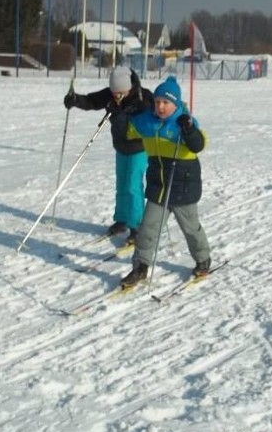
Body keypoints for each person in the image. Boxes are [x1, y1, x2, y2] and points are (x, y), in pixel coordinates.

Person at [119, 76, 211, 288]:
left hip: (183, 186)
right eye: (158, 101)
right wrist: (124, 111)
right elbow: (127, 128)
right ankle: (140, 266)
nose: (160, 106)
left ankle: (203, 259)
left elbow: (198, 145)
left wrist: (189, 129)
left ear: (175, 104)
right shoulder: (148, 121)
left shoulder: (183, 121)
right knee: (147, 228)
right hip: (158, 187)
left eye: (166, 103)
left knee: (190, 228)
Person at [64, 66, 152, 245]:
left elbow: (143, 121)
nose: (116, 96)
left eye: (120, 93)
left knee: (133, 186)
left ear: (129, 87)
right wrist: (75, 100)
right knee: (121, 184)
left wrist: (118, 112)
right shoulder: (111, 94)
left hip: (138, 148)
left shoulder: (142, 98)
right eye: (114, 93)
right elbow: (91, 101)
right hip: (121, 147)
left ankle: (137, 226)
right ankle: (122, 219)